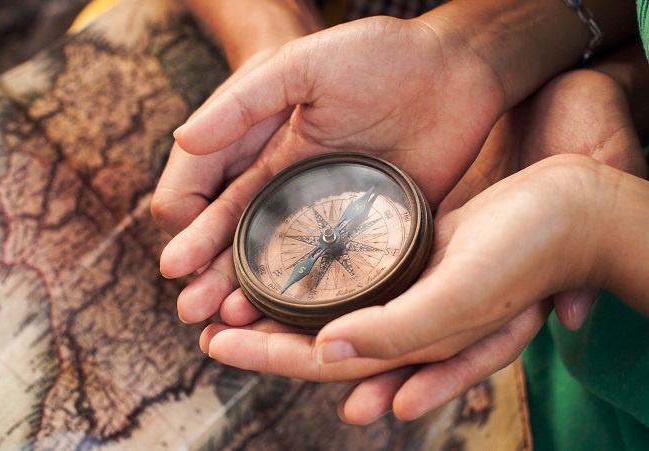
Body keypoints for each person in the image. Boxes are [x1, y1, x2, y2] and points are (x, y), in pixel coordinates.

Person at [151, 0, 649, 448]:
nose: (329, 238)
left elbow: (593, 220)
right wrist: (480, 47)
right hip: (515, 140)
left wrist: (597, 222)